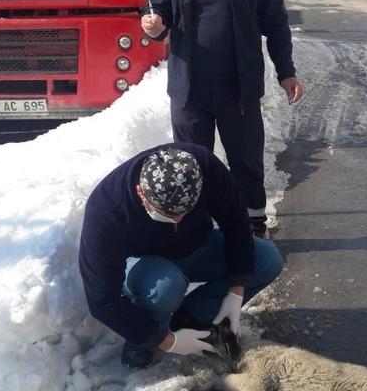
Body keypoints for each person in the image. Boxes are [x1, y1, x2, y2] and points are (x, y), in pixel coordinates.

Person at [78, 143, 284, 368]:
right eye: (167, 215)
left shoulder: (203, 166)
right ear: (141, 193)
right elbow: (101, 299)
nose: (177, 221)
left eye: (185, 212)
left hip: (197, 245)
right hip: (144, 264)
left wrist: (235, 293)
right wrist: (169, 343)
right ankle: (145, 334)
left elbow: (236, 223)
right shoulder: (106, 209)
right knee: (167, 286)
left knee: (266, 260)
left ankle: (189, 317)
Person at [141, 0, 304, 237]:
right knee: (190, 164)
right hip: (189, 90)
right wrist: (154, 25)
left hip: (239, 88)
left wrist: (286, 71)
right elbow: (157, 8)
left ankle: (253, 226)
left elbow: (275, 20)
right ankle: (196, 231)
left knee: (246, 161)